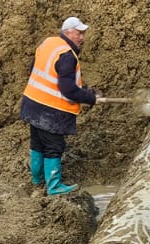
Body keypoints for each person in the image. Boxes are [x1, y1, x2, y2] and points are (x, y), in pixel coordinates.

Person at [21, 16, 100, 195]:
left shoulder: (49, 43)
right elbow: (68, 90)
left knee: (37, 143)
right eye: (79, 33)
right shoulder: (67, 55)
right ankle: (54, 186)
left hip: (32, 103)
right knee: (53, 147)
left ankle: (37, 179)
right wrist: (90, 98)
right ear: (68, 32)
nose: (82, 38)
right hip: (50, 111)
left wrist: (84, 91)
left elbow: (37, 70)